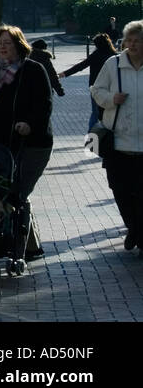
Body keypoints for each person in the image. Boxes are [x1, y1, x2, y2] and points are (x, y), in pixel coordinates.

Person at [0, 25, 53, 259]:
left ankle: (14, 248)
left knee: (16, 193)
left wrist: (30, 124)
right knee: (7, 193)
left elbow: (44, 103)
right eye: (0, 43)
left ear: (19, 45)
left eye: (8, 43)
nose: (3, 47)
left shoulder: (33, 70)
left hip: (32, 144)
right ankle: (30, 247)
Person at [91, 20, 143, 252]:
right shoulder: (113, 64)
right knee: (121, 191)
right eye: (128, 40)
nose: (131, 45)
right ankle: (134, 228)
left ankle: (139, 234)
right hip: (118, 143)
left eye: (137, 41)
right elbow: (96, 90)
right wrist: (111, 98)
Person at [61, 33, 117, 132]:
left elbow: (81, 66)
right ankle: (109, 136)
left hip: (95, 88)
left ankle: (91, 140)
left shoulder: (96, 55)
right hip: (111, 88)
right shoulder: (114, 55)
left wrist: (65, 74)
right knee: (110, 112)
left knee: (95, 114)